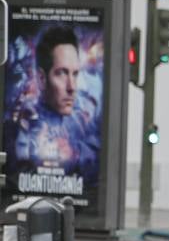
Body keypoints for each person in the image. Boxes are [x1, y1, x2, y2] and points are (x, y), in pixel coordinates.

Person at [8, 25, 101, 183]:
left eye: (75, 74)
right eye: (62, 73)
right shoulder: (18, 126)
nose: (72, 87)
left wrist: (75, 153)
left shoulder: (84, 122)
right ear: (42, 78)